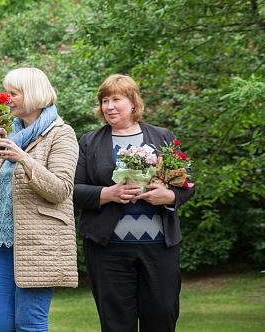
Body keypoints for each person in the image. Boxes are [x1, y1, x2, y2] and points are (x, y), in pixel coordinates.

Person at [0, 67, 79, 332]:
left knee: (29, 323)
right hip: (4, 243)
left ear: (32, 94)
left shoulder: (61, 133)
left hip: (39, 245)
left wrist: (24, 159)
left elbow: (60, 189)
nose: (7, 100)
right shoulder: (8, 134)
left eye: (13, 93)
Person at [73, 74, 196, 332]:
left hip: (159, 249)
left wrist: (170, 196)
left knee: (162, 317)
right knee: (116, 323)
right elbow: (72, 189)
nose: (109, 106)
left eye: (116, 99)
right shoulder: (89, 142)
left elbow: (186, 185)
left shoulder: (162, 137)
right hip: (108, 251)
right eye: (104, 100)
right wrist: (108, 194)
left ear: (132, 102)